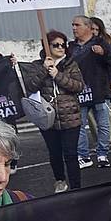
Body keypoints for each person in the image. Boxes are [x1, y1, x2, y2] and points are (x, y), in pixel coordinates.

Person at [19, 30, 85, 192]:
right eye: (56, 45)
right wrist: (44, 70)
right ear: (47, 47)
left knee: (71, 154)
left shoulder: (71, 64)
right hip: (48, 118)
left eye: (63, 45)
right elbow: (30, 86)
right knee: (55, 153)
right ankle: (60, 180)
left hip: (70, 116)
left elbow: (78, 86)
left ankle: (76, 187)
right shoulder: (37, 65)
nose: (61, 48)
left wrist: (57, 75)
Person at [69, 15, 111, 169]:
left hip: (98, 89)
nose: (74, 28)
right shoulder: (71, 46)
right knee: (80, 125)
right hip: (79, 91)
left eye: (77, 25)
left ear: (87, 27)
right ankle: (83, 156)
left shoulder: (100, 42)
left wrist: (103, 53)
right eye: (73, 25)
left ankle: (102, 154)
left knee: (103, 124)